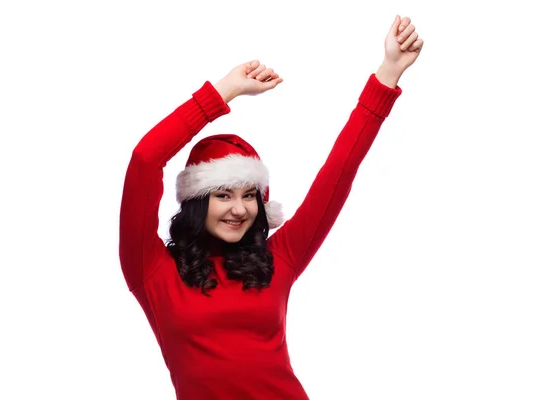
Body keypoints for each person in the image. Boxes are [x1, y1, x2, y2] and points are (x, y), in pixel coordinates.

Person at [119, 15, 423, 400]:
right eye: (223, 194)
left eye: (249, 195)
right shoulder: (151, 269)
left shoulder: (279, 259)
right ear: (197, 200)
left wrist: (388, 72)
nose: (239, 209)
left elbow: (339, 170)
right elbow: (145, 159)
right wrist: (223, 92)